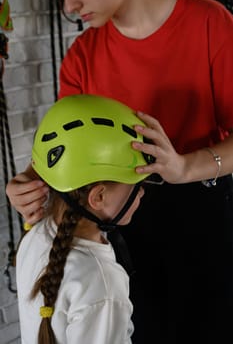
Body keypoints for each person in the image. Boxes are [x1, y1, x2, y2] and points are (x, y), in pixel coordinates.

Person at [7, 0, 233, 343]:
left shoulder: (211, 25)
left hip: (199, 230)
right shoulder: (82, 56)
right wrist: (33, 181)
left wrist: (185, 166)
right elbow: (69, 145)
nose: (68, 6)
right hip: (116, 233)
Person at [16, 94, 152, 344]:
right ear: (98, 196)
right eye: (137, 182)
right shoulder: (102, 283)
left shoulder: (37, 233)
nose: (142, 191)